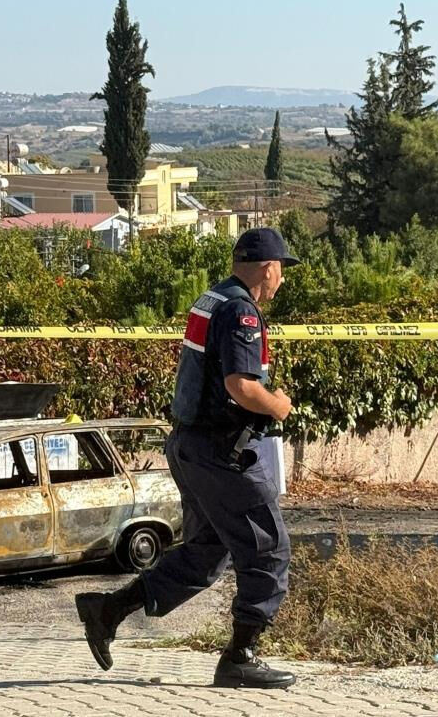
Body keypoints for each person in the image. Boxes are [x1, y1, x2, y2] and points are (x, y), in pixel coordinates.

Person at [76, 227, 299, 689]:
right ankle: (240, 656)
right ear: (269, 268)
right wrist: (278, 404)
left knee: (205, 554)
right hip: (222, 452)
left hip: (190, 446)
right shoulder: (242, 311)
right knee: (267, 548)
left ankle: (108, 611)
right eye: (282, 272)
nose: (281, 283)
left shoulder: (212, 298)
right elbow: (242, 386)